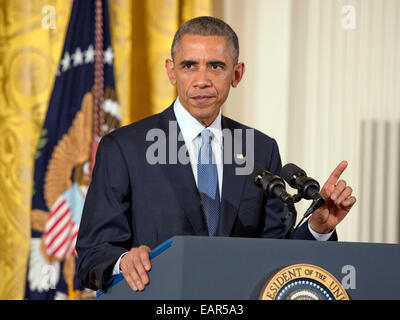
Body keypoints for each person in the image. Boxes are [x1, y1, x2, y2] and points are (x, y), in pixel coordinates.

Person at [76, 16, 356, 293]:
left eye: (216, 66)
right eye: (189, 66)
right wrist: (124, 261)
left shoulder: (259, 148)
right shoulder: (124, 148)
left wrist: (318, 228)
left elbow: (278, 256)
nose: (202, 80)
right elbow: (93, 254)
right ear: (171, 72)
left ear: (237, 74)